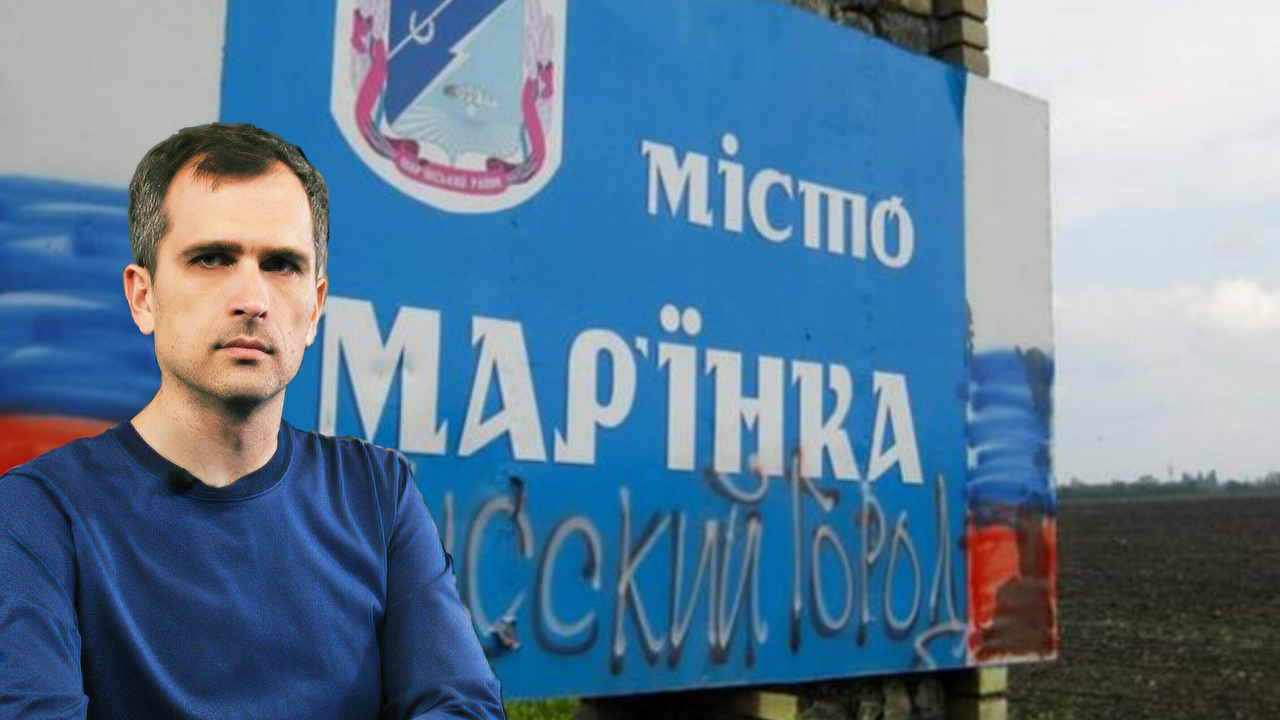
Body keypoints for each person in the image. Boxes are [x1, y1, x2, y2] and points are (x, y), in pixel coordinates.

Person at [0, 123, 506, 719]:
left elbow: (461, 704)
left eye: (282, 265)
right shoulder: (38, 514)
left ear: (315, 308)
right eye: (211, 258)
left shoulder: (377, 494)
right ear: (143, 297)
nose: (252, 299)